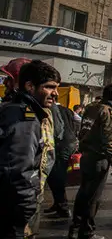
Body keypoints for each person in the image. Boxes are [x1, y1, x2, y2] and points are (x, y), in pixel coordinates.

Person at [0, 60, 60, 238]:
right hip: (17, 205)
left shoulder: (33, 111)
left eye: (56, 87)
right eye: (49, 87)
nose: (55, 93)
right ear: (29, 86)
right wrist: (27, 207)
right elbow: (17, 169)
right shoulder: (23, 117)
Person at [69, 83, 112, 239]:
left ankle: (75, 227)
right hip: (99, 158)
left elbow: (83, 131)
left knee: (83, 193)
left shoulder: (91, 108)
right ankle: (87, 232)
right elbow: (109, 138)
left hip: (86, 155)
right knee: (93, 197)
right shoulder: (107, 112)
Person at [46, 102, 78, 218]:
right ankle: (58, 203)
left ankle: (63, 208)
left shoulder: (50, 109)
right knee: (55, 175)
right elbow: (77, 122)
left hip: (61, 144)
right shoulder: (67, 110)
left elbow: (57, 130)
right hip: (70, 142)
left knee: (56, 176)